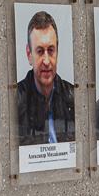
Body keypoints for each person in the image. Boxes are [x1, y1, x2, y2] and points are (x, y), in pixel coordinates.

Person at [17, 10, 76, 146]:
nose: (47, 61)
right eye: (40, 51)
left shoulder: (74, 98)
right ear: (29, 54)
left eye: (50, 50)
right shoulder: (15, 102)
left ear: (57, 52)